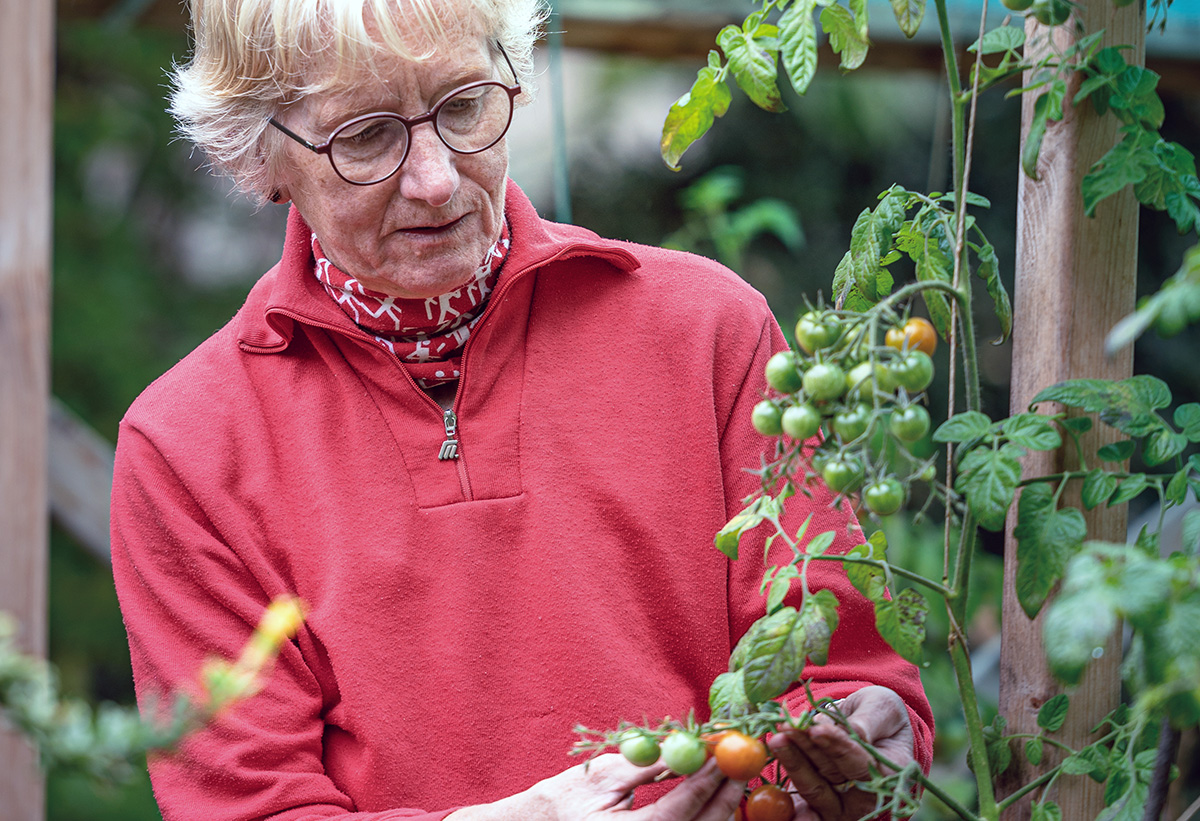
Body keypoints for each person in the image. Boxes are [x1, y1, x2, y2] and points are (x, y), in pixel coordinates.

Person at [108, 1, 935, 819]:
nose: (435, 179)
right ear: (259, 158)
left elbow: (840, 669)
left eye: (465, 105)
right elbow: (249, 804)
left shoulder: (706, 331)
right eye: (364, 136)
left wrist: (863, 739)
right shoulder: (187, 444)